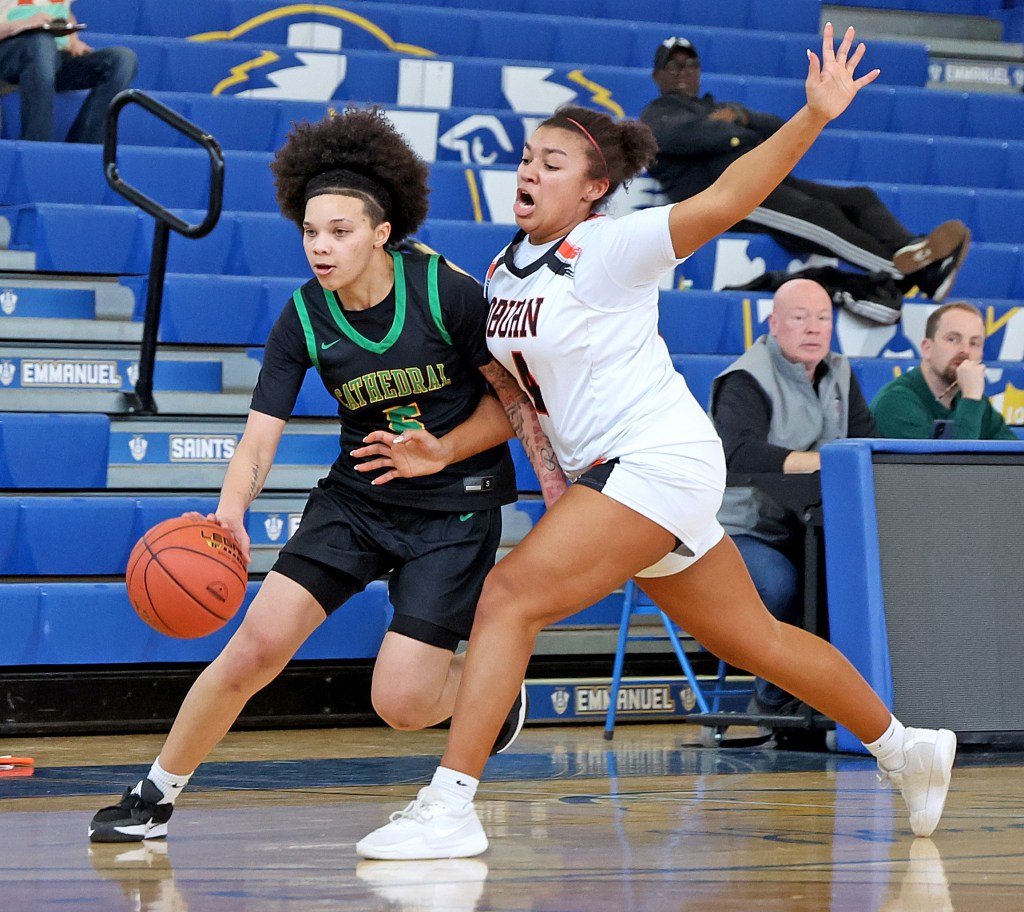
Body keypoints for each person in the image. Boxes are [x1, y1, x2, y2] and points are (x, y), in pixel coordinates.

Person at [356, 26, 956, 860]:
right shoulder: (502, 274)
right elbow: (524, 402)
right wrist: (448, 450)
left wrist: (812, 117)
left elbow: (727, 199)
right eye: (528, 156)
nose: (529, 169)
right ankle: (907, 745)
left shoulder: (610, 246)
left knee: (508, 597)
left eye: (552, 162)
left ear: (595, 188)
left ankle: (451, 805)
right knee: (753, 641)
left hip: (658, 458)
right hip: (610, 473)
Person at [88, 108, 564, 843]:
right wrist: (231, 516)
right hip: (357, 501)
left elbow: (519, 404)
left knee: (402, 705)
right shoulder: (304, 317)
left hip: (454, 509)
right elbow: (257, 440)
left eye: (339, 231)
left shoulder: (445, 292)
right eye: (310, 232)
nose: (320, 246)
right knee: (254, 646)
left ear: (381, 232)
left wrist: (440, 451)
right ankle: (155, 794)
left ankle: (492, 696)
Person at [639, 36, 970, 305]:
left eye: (690, 64)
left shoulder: (718, 108)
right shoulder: (656, 114)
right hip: (729, 201)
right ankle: (909, 272)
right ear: (657, 76)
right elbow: (693, 137)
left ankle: (909, 250)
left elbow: (781, 129)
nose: (683, 71)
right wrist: (738, 134)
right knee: (820, 214)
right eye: (673, 65)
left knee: (858, 197)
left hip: (764, 184)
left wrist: (741, 118)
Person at [710, 278, 877, 726]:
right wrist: (821, 461)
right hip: (743, 531)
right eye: (800, 317)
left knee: (849, 578)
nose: (814, 328)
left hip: (814, 526)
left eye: (823, 318)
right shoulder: (745, 378)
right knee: (784, 585)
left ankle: (841, 705)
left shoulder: (840, 371)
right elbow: (738, 453)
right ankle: (774, 703)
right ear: (774, 324)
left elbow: (868, 441)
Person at [871, 301, 1017, 440]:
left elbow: (1014, 458)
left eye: (974, 343)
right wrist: (971, 398)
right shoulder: (895, 402)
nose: (965, 351)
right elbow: (951, 463)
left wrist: (972, 399)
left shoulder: (971, 399)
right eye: (952, 339)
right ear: (927, 348)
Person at [0, 0, 136, 143]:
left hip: (53, 58)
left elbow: (64, 12)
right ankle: (37, 146)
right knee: (41, 41)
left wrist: (72, 39)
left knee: (122, 59)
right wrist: (21, 24)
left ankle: (83, 149)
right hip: (11, 54)